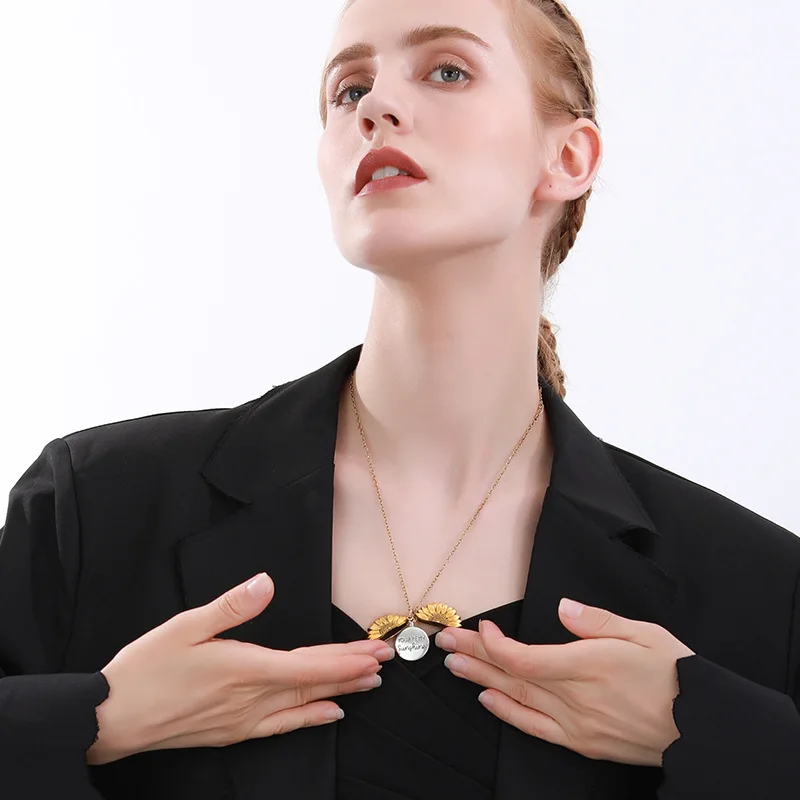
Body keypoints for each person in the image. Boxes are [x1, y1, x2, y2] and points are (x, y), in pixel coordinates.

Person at [1, 0, 799, 797]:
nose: (375, 105)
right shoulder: (95, 510)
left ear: (567, 156)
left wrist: (734, 741)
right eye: (348, 90)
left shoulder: (756, 591)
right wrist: (98, 719)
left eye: (447, 71)